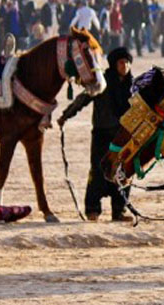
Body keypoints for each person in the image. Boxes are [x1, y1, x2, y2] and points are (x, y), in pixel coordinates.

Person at [57, 47, 135, 222]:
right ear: (114, 64)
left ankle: (119, 210)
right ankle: (93, 209)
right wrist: (65, 115)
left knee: (123, 172)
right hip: (102, 133)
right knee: (98, 170)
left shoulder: (133, 86)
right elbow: (83, 99)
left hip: (123, 136)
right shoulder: (102, 83)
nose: (125, 66)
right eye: (121, 62)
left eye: (127, 62)